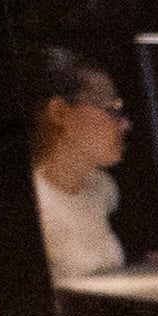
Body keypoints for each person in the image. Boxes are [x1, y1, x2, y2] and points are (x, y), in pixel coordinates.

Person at [28, 44, 129, 283]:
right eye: (111, 110)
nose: (123, 124)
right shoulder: (37, 202)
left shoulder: (103, 189)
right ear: (59, 113)